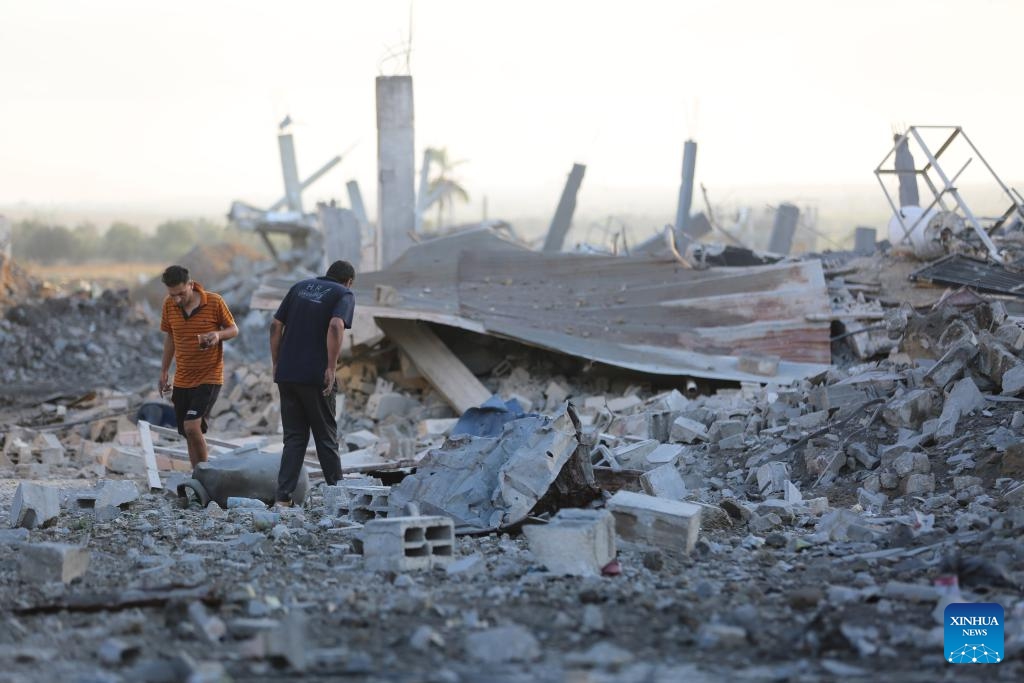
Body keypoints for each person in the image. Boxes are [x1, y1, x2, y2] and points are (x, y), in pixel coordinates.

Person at [270, 260, 355, 507]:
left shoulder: (299, 287)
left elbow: (276, 325)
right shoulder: (344, 293)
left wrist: (276, 362)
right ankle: (337, 498)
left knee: (294, 438)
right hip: (314, 375)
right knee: (326, 437)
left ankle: (282, 499)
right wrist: (331, 366)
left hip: (287, 373)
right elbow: (336, 325)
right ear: (349, 281)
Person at [158, 265, 238, 469]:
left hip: (209, 375)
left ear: (191, 285)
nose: (177, 299)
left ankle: (205, 475)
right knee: (188, 432)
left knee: (192, 426)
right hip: (183, 377)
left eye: (181, 294)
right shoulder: (169, 305)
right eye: (172, 294)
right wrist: (164, 370)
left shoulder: (214, 301)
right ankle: (197, 477)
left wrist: (218, 335)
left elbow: (233, 329)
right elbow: (170, 338)